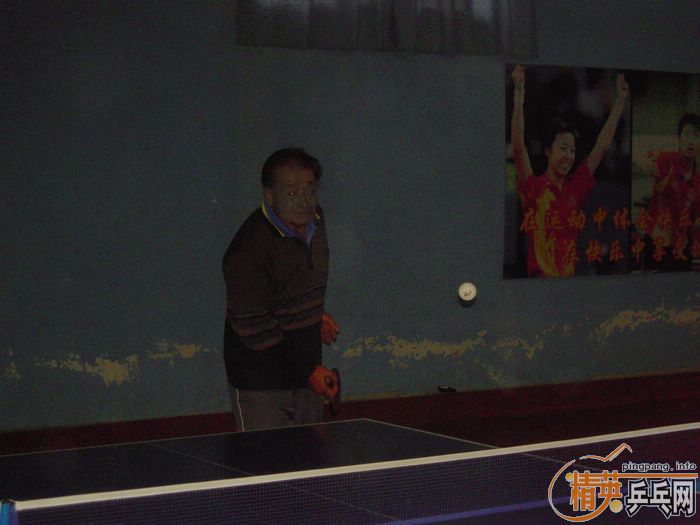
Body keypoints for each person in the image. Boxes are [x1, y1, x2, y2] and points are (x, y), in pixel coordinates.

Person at [222, 148, 340, 431]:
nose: (304, 201)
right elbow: (255, 328)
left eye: (310, 190)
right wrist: (308, 371)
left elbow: (295, 280)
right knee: (267, 457)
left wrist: (315, 314)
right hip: (261, 384)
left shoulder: (316, 220)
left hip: (305, 373)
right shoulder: (249, 250)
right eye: (291, 193)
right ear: (269, 195)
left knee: (311, 457)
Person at [510, 65, 629, 277]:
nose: (568, 155)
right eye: (563, 148)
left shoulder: (575, 186)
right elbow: (519, 147)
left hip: (569, 283)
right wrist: (519, 97)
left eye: (572, 150)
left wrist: (619, 102)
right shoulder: (534, 187)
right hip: (538, 283)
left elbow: (601, 146)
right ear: (548, 151)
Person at [641, 112, 700, 271]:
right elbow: (645, 158)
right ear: (679, 139)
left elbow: (695, 221)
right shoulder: (667, 161)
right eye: (686, 134)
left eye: (696, 135)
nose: (691, 140)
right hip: (657, 246)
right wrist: (647, 164)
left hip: (681, 250)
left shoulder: (698, 182)